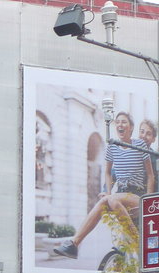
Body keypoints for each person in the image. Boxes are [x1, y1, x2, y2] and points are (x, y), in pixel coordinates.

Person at [54, 111, 153, 259]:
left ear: (131, 127)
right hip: (121, 194)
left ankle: (139, 244)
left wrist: (148, 202)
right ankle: (74, 244)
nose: (120, 124)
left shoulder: (139, 145)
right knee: (105, 201)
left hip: (137, 195)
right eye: (118, 122)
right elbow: (108, 172)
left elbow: (151, 175)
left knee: (112, 199)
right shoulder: (112, 147)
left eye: (124, 122)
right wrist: (107, 191)